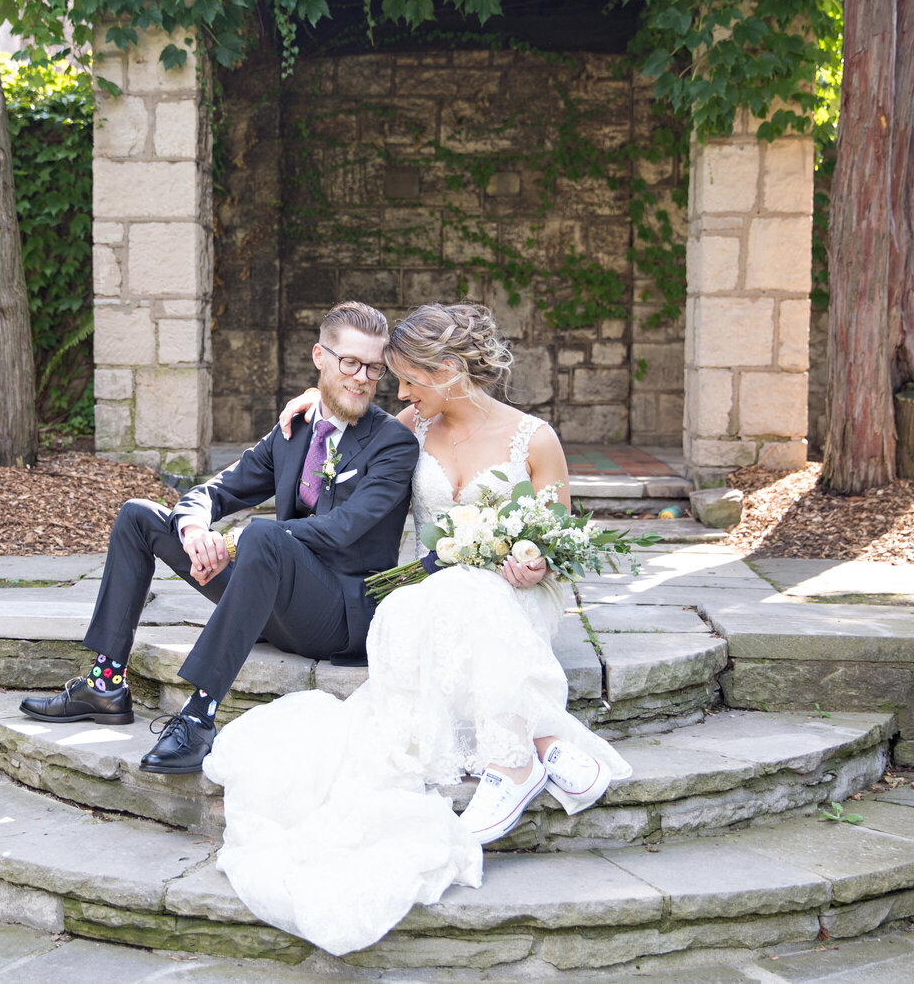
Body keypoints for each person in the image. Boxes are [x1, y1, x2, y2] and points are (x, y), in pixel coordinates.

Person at [201, 302, 631, 955]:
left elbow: (564, 543)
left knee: (471, 593)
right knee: (414, 605)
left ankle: (513, 763)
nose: (399, 391)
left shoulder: (533, 439)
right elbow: (344, 426)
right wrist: (308, 405)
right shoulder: (414, 427)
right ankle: (544, 745)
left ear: (451, 369)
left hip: (521, 597)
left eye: (409, 378)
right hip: (440, 595)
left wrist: (536, 557)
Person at [17, 301, 418, 776]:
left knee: (263, 536)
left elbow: (344, 527)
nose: (362, 377)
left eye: (373, 367)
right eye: (350, 362)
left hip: (338, 617)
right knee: (139, 516)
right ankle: (105, 684)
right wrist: (195, 531)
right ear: (319, 357)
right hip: (270, 598)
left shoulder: (393, 443)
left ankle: (198, 717)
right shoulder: (294, 431)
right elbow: (217, 489)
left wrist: (231, 543)